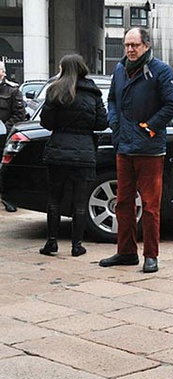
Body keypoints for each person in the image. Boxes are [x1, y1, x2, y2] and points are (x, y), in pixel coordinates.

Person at [99, 27, 173, 273]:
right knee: (123, 203)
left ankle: (151, 255)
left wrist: (150, 127)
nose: (130, 49)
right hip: (123, 146)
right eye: (127, 45)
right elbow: (112, 100)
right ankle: (126, 252)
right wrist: (114, 123)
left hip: (149, 149)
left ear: (146, 45)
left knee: (150, 205)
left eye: (134, 45)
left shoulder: (160, 70)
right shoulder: (119, 69)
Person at [38, 55, 108, 257]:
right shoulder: (93, 93)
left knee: (54, 199)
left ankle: (51, 242)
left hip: (58, 151)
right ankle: (77, 245)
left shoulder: (55, 90)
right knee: (80, 202)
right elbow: (101, 123)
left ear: (64, 69)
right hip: (84, 152)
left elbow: (46, 122)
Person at [0, 61, 26, 212]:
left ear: (3, 72)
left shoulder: (12, 91)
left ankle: (7, 198)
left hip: (4, 137)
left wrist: (4, 128)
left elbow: (19, 115)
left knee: (5, 170)